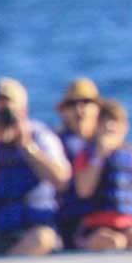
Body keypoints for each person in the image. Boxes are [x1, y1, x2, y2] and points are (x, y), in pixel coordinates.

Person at [0, 77, 72, 256]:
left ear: (23, 110)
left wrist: (27, 147)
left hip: (31, 229)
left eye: (7, 105)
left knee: (42, 238)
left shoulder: (41, 137)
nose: (2, 112)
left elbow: (61, 180)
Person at [70, 98, 132, 251]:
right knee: (113, 242)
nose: (109, 126)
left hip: (129, 224)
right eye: (104, 121)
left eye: (115, 122)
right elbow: (84, 190)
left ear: (125, 127)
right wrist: (99, 156)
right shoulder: (86, 155)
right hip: (95, 226)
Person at [52, 77, 102, 248]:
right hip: (65, 221)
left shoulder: (113, 146)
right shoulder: (52, 143)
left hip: (103, 220)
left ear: (97, 108)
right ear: (63, 111)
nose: (79, 109)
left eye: (86, 102)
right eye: (72, 104)